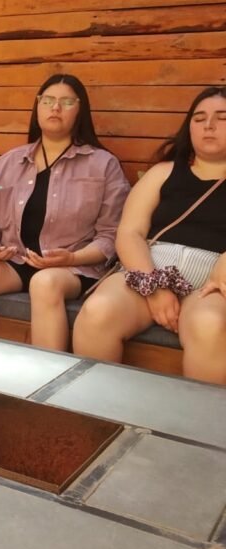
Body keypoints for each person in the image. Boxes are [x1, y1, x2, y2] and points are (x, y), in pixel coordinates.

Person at [0, 75, 130, 350]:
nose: (55, 108)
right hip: (17, 258)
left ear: (80, 110)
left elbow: (111, 234)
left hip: (72, 267)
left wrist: (72, 257)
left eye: (66, 102)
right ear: (38, 107)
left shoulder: (103, 165)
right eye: (48, 101)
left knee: (44, 283)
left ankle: (47, 374)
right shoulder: (9, 161)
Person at [73, 86, 226, 384]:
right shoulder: (163, 172)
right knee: (98, 312)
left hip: (211, 280)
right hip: (148, 267)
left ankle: (197, 416)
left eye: (222, 117)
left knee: (209, 324)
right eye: (199, 118)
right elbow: (129, 232)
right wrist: (153, 285)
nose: (209, 125)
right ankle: (97, 409)